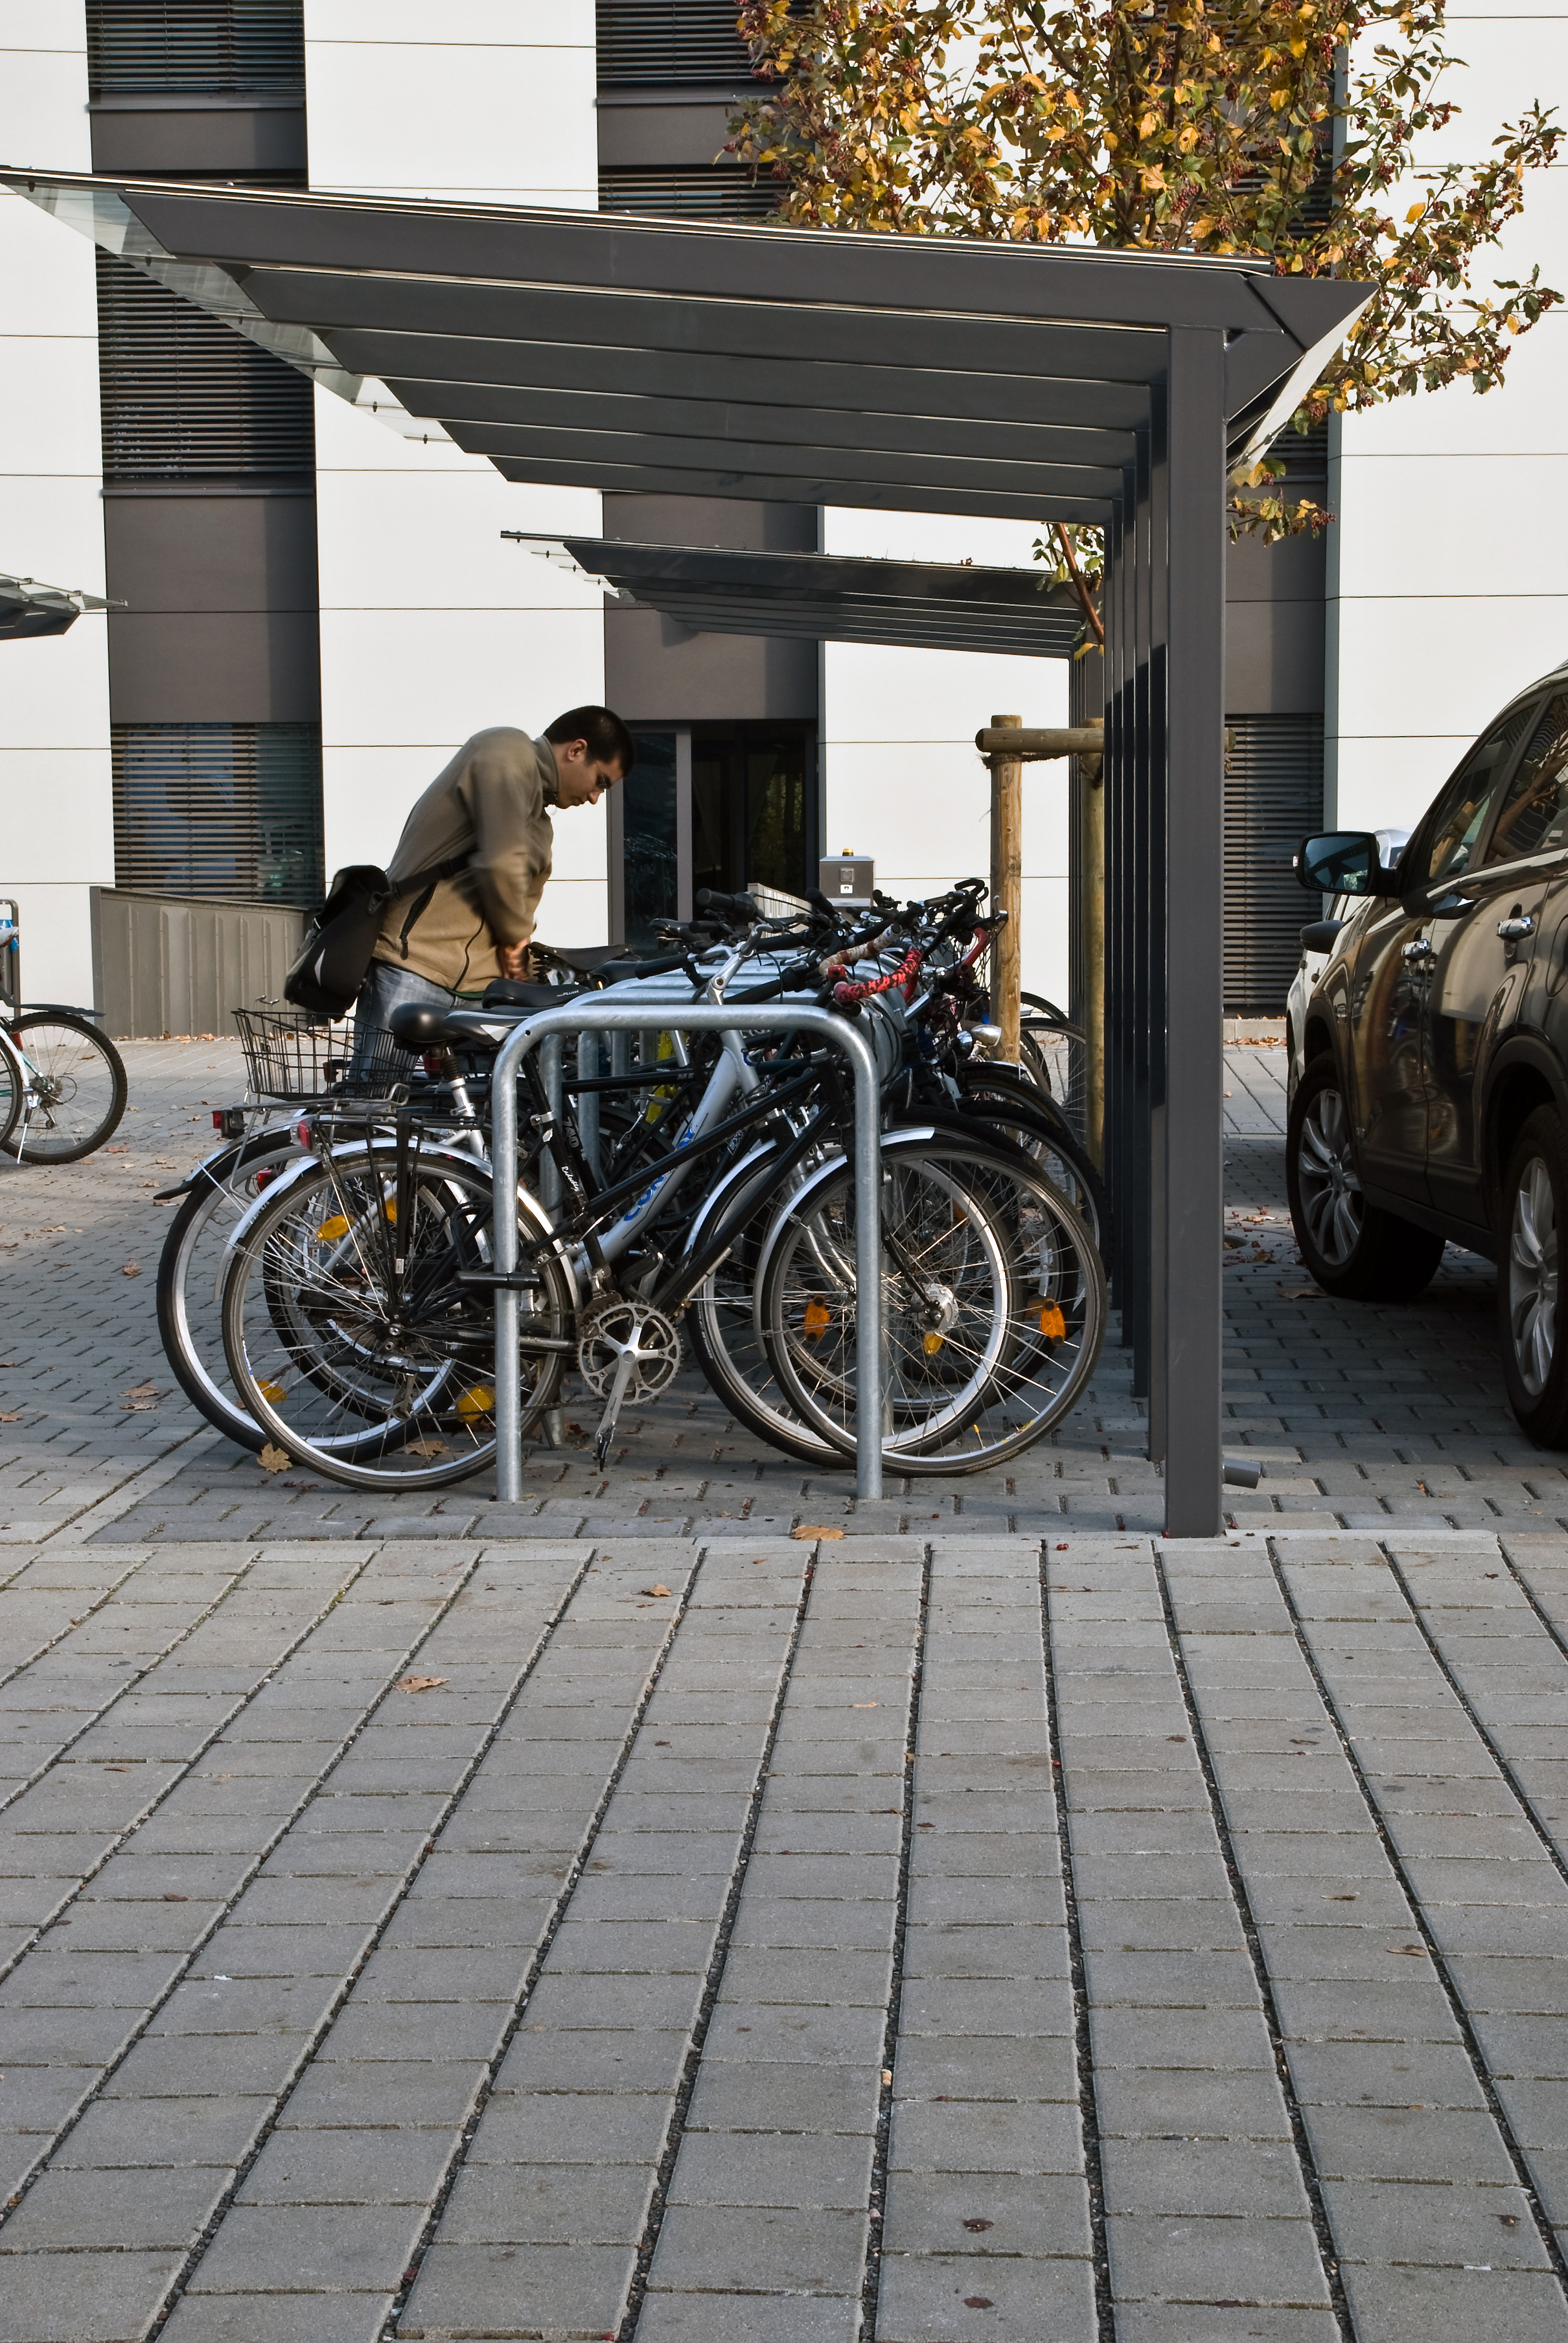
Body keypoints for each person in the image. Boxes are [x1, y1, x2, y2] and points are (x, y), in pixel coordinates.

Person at [352, 706, 634, 1052]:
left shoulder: (541, 824)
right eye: (601, 782)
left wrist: (523, 974)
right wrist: (516, 944)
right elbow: (502, 862)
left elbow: (520, 903)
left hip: (480, 989)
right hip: (414, 965)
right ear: (577, 750)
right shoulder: (508, 750)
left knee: (483, 1106)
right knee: (375, 1101)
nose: (594, 798)